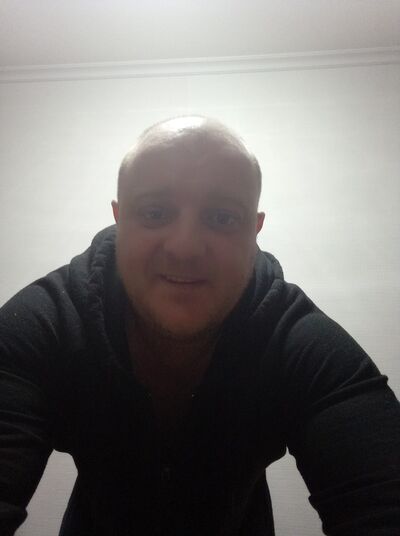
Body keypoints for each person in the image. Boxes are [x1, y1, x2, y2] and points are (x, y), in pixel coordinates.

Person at [0, 116, 399, 536]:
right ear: (120, 220)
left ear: (254, 229)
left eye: (222, 217)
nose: (185, 248)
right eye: (155, 212)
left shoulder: (295, 340)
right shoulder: (47, 324)